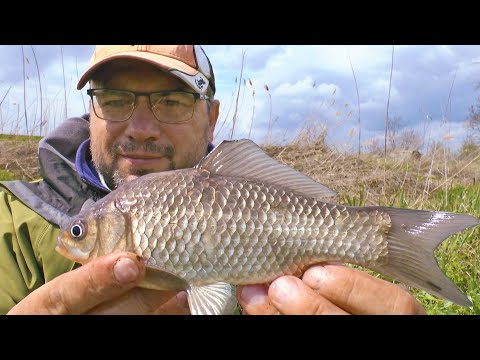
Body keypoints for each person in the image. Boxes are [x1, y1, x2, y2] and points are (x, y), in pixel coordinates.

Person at [0, 45, 426, 315]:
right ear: (91, 112)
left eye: (172, 100)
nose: (142, 127)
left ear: (212, 118)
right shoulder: (10, 228)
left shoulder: (261, 198)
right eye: (114, 100)